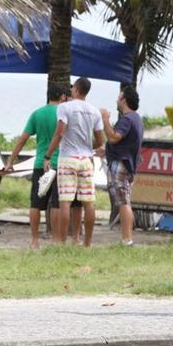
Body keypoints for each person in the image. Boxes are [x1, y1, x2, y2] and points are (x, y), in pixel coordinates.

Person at [5, 85, 69, 248]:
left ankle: (34, 240)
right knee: (56, 204)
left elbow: (22, 139)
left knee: (35, 203)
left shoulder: (37, 114)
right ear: (62, 97)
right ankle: (55, 239)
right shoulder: (63, 114)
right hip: (59, 163)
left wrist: (11, 161)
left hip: (40, 164)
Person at [43, 77, 105, 247]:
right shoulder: (94, 111)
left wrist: (48, 155)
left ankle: (62, 241)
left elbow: (60, 133)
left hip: (68, 158)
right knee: (88, 203)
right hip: (86, 160)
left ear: (76, 90)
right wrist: (92, 146)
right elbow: (100, 140)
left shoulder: (64, 107)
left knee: (65, 202)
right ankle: (87, 244)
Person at [100, 86, 143, 246]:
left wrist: (105, 119)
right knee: (125, 201)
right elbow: (124, 143)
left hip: (121, 166)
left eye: (119, 97)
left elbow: (114, 137)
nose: (116, 100)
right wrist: (105, 150)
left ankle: (127, 239)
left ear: (124, 100)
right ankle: (127, 238)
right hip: (128, 165)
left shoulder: (127, 119)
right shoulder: (136, 118)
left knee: (123, 203)